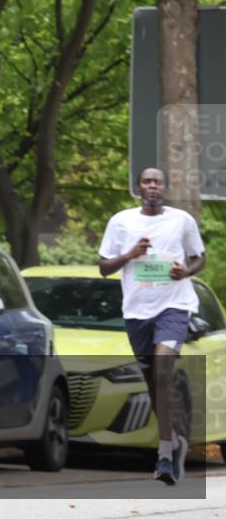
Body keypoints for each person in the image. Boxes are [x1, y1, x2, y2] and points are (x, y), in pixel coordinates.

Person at [98, 166, 206, 485]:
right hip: (137, 312)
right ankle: (173, 442)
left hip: (174, 305)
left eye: (158, 182)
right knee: (153, 382)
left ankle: (164, 457)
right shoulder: (121, 221)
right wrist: (130, 254)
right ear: (138, 187)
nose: (153, 186)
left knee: (162, 366)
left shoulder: (181, 220)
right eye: (147, 181)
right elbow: (104, 267)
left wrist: (185, 271)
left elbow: (199, 257)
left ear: (166, 188)